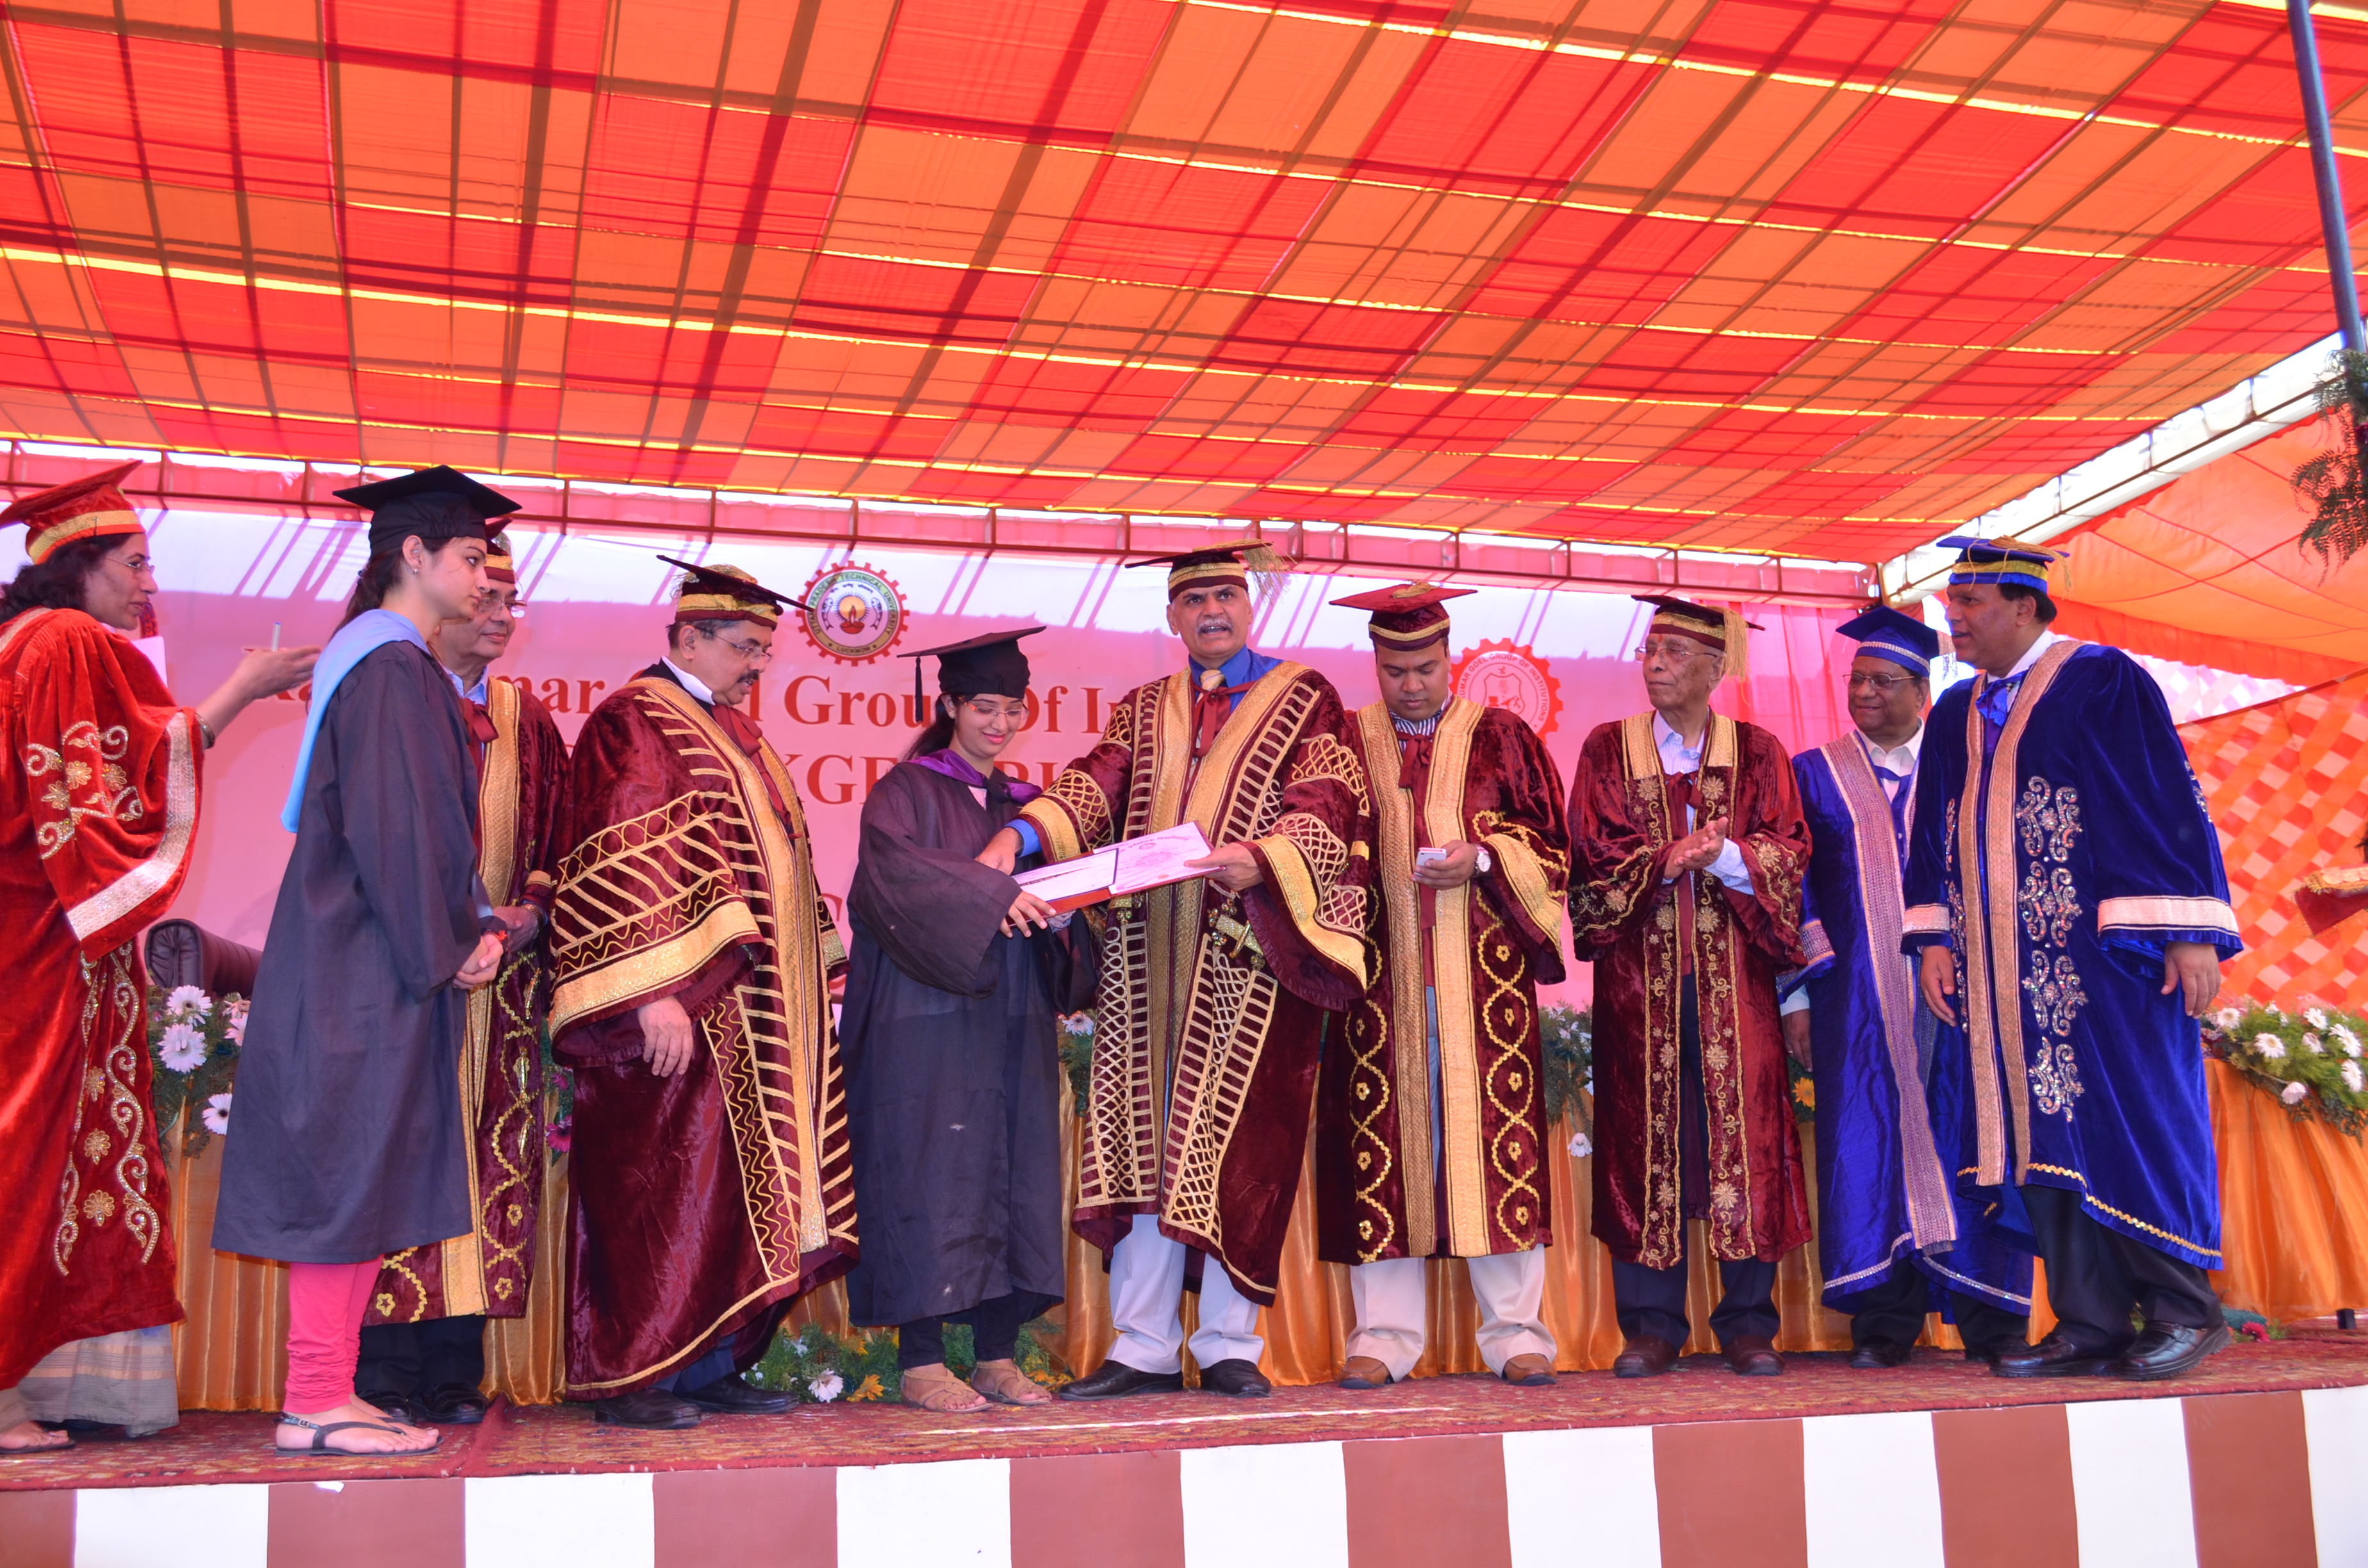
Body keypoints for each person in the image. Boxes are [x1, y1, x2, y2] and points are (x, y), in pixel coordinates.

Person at [978, 541, 1374, 1401]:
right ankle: (1145, 1348)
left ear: (1249, 605)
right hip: (1144, 963)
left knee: (1238, 1148)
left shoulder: (1306, 697)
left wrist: (1262, 858)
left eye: (1225, 596)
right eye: (1194, 601)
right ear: (1172, 617)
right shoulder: (1144, 707)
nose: (1211, 613)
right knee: (1142, 1150)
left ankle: (1230, 1344)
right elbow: (1094, 786)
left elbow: (1330, 803)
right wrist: (1020, 834)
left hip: (1247, 959)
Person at [0, 463, 317, 1453]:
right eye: (134, 563)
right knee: (23, 1157)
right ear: (77, 564)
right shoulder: (63, 641)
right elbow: (100, 801)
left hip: (39, 938)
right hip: (38, 945)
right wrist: (242, 691)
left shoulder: (17, 642)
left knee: (62, 1165)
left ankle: (48, 1381)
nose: (149, 584)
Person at [214, 465, 513, 1457]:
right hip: (367, 964)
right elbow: (401, 830)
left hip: (368, 954)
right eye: (469, 556)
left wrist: (461, 924)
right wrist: (455, 940)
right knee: (345, 1179)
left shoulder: (384, 662)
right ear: (413, 555)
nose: (483, 576)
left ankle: (326, 1392)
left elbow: (416, 831)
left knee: (359, 1176)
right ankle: (314, 1398)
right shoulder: (390, 669)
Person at [1905, 538, 2241, 1382]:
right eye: (1951, 602)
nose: (1954, 617)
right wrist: (1936, 936)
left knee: (2131, 1118)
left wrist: (2186, 930)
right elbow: (1932, 834)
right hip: (1998, 973)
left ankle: (2184, 1310)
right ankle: (2090, 1321)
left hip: (2106, 962)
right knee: (2036, 1135)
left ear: (2025, 607)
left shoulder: (2102, 679)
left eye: (1971, 603)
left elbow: (2160, 803)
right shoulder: (1954, 710)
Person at [548, 559, 855, 1429]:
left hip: (752, 1017)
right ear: (688, 637)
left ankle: (711, 1363)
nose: (758, 665)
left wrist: (815, 977)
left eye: (764, 649)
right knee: (662, 1189)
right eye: (744, 647)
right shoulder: (635, 720)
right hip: (675, 1011)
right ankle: (635, 1373)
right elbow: (622, 854)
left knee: (724, 1193)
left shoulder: (735, 732)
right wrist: (650, 992)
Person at [1318, 584, 1570, 1391]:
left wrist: (1485, 857)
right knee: (1383, 1150)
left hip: (1482, 981)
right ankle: (1384, 1339)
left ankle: (1517, 1335)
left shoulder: (1502, 737)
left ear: (1449, 658)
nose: (1411, 685)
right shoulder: (1343, 740)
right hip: (1379, 980)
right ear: (1375, 664)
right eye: (1395, 671)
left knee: (1496, 1145)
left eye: (1425, 668)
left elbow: (1554, 845)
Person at [842, 628, 1089, 1413]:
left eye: (1013, 710)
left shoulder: (1028, 809)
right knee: (930, 1175)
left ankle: (995, 1357)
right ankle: (920, 1363)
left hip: (1013, 1020)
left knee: (1012, 1176)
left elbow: (1061, 899)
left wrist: (1062, 916)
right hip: (928, 1022)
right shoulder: (906, 792)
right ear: (949, 705)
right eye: (984, 707)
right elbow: (895, 882)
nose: (999, 724)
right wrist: (992, 896)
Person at [1781, 605, 2032, 1369]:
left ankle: (1991, 1316)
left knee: (1973, 1133)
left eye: (1884, 681)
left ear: (1923, 693)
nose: (1865, 693)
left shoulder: (1965, 766)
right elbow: (1792, 887)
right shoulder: (1811, 773)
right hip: (1852, 999)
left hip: (1963, 995)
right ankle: (1884, 1321)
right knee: (1866, 1144)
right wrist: (1799, 995)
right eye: (1857, 679)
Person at [1568, 594, 1812, 1379]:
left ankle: (1748, 1324)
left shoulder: (1759, 752)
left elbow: (1789, 850)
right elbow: (1591, 857)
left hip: (1735, 989)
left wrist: (1727, 855)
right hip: (1639, 991)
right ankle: (1650, 1326)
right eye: (1650, 651)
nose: (1656, 665)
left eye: (1675, 654)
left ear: (1716, 668)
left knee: (1748, 1141)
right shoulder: (1610, 749)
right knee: (1642, 1144)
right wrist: (1667, 859)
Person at [358, 533, 568, 1428]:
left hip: (501, 991)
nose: (500, 614)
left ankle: (454, 1369)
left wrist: (530, 913)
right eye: (485, 595)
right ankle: (380, 1368)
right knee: (398, 1157)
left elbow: (562, 843)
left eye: (512, 600)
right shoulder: (392, 696)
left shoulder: (528, 719)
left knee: (488, 1167)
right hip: (404, 981)